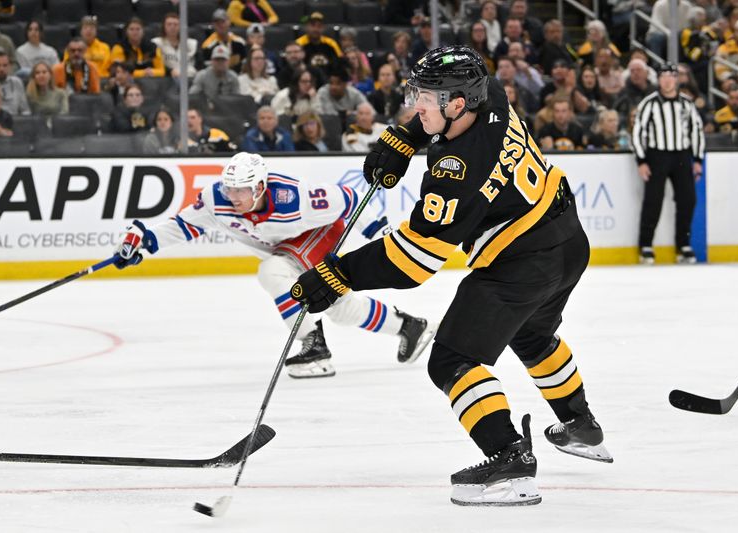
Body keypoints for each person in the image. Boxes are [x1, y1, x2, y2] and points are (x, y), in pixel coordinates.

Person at [290, 45, 612, 506]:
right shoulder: (490, 93)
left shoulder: (457, 175)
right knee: (533, 335)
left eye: (424, 98)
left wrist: (337, 274)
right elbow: (443, 115)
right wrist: (405, 137)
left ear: (457, 104)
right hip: (567, 240)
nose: (415, 105)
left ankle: (509, 461)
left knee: (450, 360)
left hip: (522, 263)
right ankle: (581, 425)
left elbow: (413, 261)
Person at [113, 152, 435, 379]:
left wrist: (381, 235)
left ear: (259, 187)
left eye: (241, 189)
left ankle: (314, 346)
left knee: (273, 271)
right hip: (289, 246)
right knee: (338, 307)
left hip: (321, 234)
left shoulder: (294, 198)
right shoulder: (216, 200)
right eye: (230, 188)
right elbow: (184, 226)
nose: (233, 196)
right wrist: (143, 242)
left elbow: (350, 198)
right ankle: (410, 327)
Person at [632, 63, 706, 265]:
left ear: (676, 79)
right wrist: (641, 160)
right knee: (653, 200)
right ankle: (646, 245)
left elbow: (696, 130)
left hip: (682, 155)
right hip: (657, 156)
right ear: (658, 79)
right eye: (663, 76)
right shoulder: (649, 103)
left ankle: (683, 244)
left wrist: (697, 159)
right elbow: (638, 132)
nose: (667, 80)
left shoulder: (687, 104)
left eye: (671, 76)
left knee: (687, 200)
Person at [152, 12, 199, 81]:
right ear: (163, 26)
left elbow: (199, 64)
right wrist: (169, 71)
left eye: (176, 24)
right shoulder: (156, 43)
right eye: (169, 24)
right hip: (167, 79)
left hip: (190, 77)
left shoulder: (192, 43)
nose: (172, 27)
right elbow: (155, 64)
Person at [201, 8, 248, 73]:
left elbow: (245, 64)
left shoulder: (240, 42)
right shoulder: (208, 46)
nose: (220, 25)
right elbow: (208, 70)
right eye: (217, 23)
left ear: (229, 22)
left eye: (223, 22)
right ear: (213, 25)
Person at [0, 50, 30, 115]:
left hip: (15, 119)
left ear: (9, 66)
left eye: (5, 65)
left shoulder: (17, 82)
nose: (1, 69)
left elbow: (25, 110)